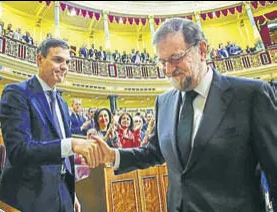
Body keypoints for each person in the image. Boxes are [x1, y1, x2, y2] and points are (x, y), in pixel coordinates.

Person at [93, 18, 277, 212]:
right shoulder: (164, 102)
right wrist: (113, 155)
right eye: (162, 62)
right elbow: (154, 152)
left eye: (176, 58)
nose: (168, 70)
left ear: (202, 50)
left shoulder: (251, 95)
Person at [0, 38, 103, 212]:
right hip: (30, 196)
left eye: (67, 62)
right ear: (39, 60)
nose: (64, 66)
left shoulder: (62, 103)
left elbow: (61, 152)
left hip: (62, 192)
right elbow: (19, 150)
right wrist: (72, 144)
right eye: (58, 60)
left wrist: (70, 192)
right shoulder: (16, 93)